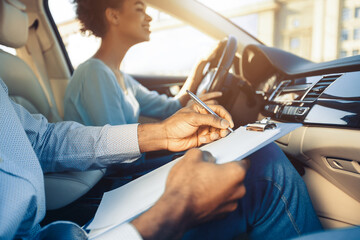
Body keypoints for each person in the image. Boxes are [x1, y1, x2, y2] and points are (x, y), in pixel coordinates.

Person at [1, 76, 327, 240]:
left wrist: (163, 134)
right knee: (265, 173)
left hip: (55, 231)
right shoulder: (93, 75)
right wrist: (171, 212)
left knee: (261, 158)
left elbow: (41, 139)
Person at [63, 0, 221, 126]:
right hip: (118, 167)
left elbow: (171, 108)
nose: (149, 17)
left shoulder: (120, 77)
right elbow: (117, 156)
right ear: (114, 16)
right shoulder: (94, 73)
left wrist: (200, 65)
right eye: (139, 8)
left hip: (129, 166)